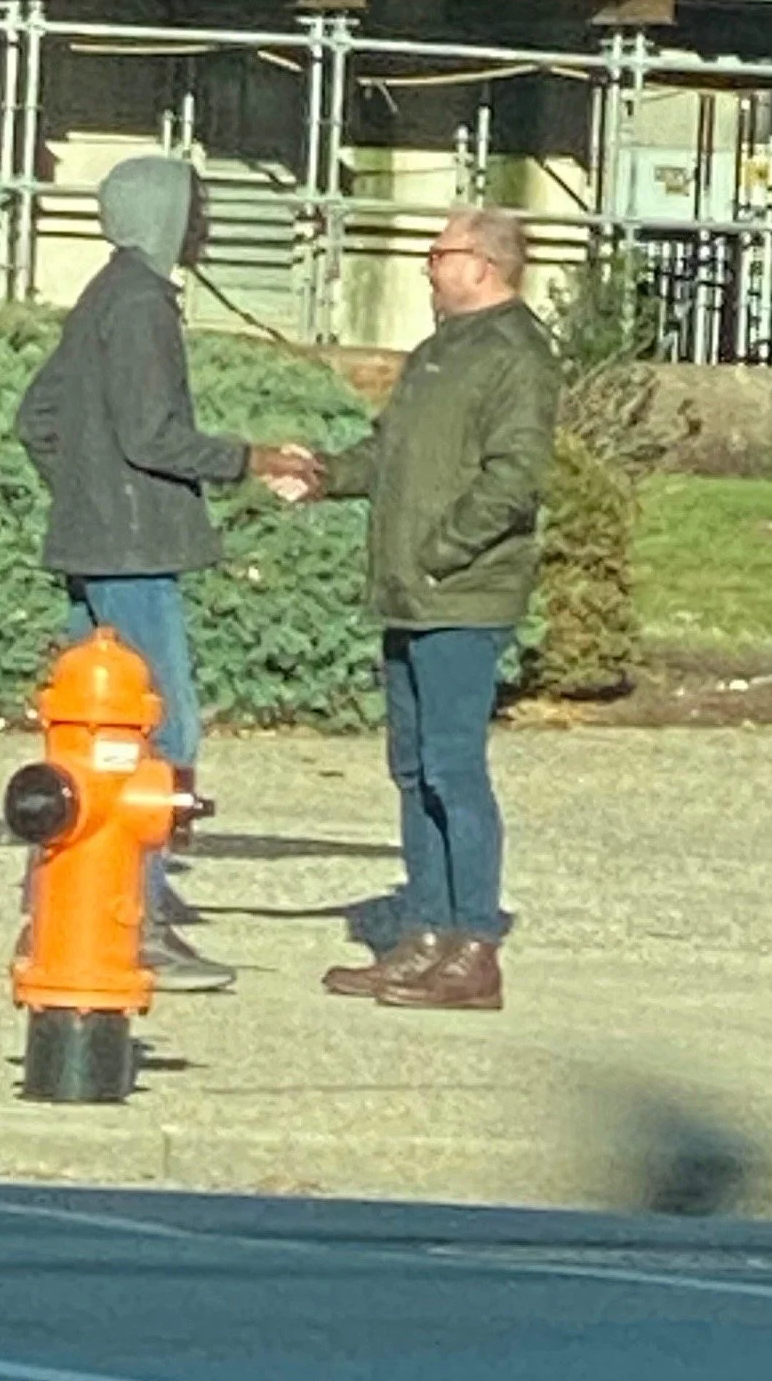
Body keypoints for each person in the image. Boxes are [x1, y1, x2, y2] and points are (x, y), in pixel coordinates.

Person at [15, 154, 318, 993]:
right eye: (197, 206)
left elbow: (37, 418)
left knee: (85, 731)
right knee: (156, 734)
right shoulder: (144, 302)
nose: (204, 223)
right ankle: (135, 920)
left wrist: (83, 494)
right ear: (163, 215)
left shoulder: (102, 293)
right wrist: (251, 458)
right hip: (137, 549)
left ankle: (58, 903)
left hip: (94, 543)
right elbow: (152, 436)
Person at [276, 208, 559, 1011]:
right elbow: (390, 449)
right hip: (409, 592)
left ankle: (473, 946)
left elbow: (514, 477)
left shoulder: (515, 353)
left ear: (482, 263)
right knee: (411, 769)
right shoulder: (439, 350)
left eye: (437, 253)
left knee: (451, 767)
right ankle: (424, 933)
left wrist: (440, 549)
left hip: (461, 593)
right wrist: (325, 474)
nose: (426, 267)